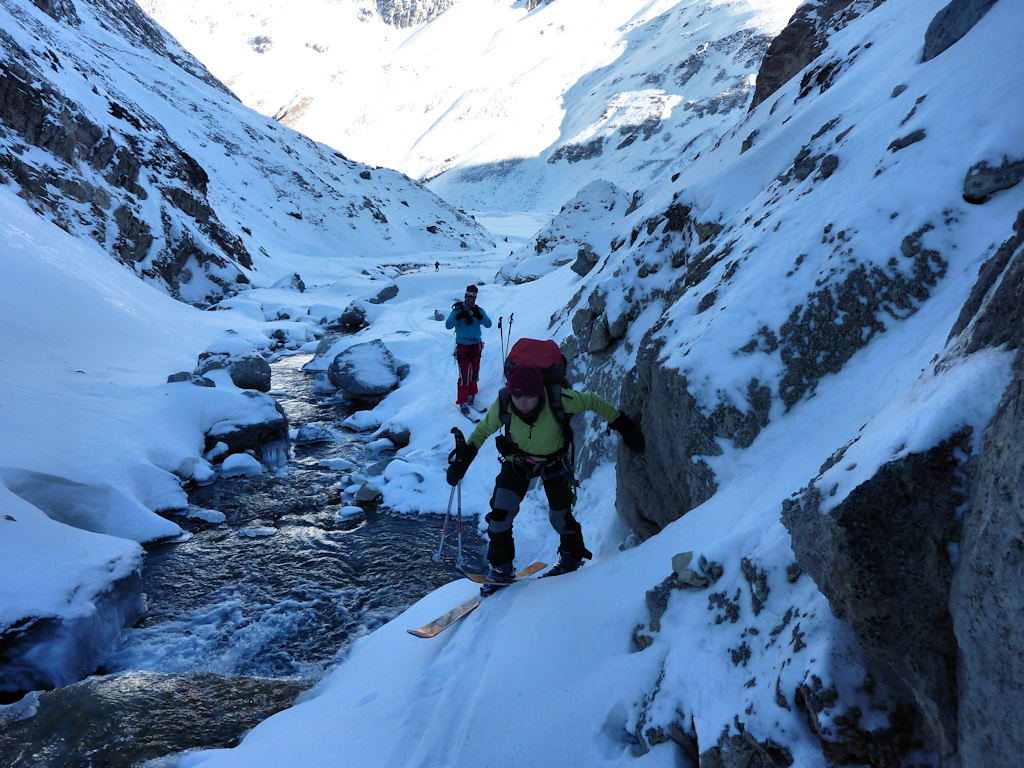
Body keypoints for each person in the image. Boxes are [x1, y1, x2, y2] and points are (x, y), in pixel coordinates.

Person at [446, 363, 645, 592]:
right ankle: (501, 568)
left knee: (560, 515)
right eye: (516, 397)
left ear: (539, 392)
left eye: (528, 397)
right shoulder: (504, 403)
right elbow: (482, 431)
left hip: (554, 463)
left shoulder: (559, 399)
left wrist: (623, 425)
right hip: (518, 462)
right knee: (500, 514)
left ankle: (571, 557)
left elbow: (592, 401)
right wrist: (463, 461)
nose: (521, 402)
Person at [445, 285, 492, 414]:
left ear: (476, 297)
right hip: (463, 346)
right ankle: (462, 401)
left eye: (473, 297)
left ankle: (471, 394)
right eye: (469, 296)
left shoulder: (479, 310)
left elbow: (489, 324)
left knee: (475, 371)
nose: (471, 299)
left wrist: (479, 316)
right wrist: (458, 316)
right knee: (464, 374)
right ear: (465, 296)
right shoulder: (458, 310)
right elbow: (448, 325)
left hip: (476, 345)